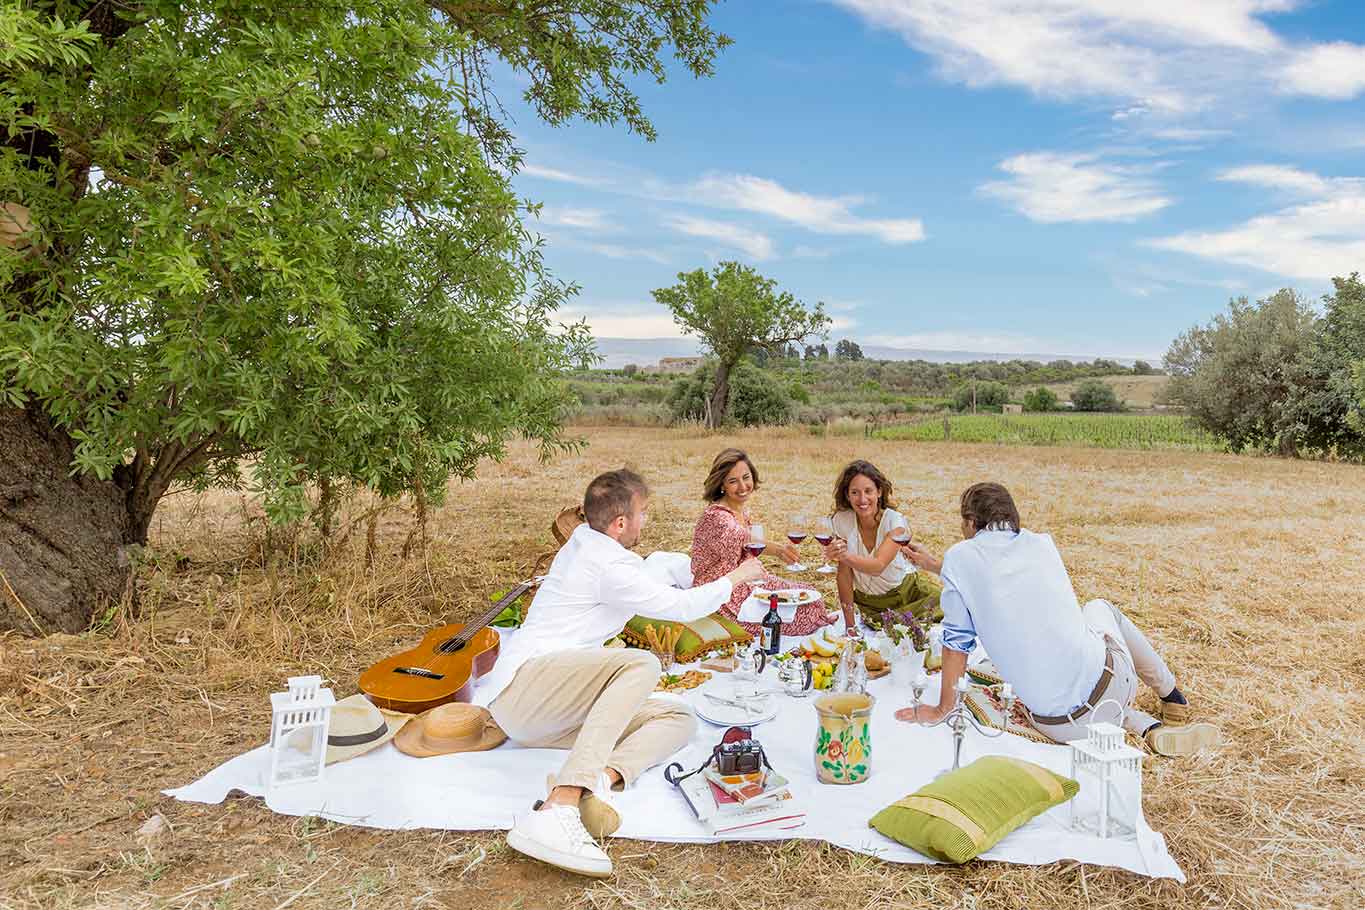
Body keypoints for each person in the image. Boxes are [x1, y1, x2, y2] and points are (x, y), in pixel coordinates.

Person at [477, 468, 765, 877]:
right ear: (620, 524)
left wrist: (679, 567)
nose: (646, 520)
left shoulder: (589, 544)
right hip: (528, 688)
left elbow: (647, 572)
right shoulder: (609, 567)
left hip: (552, 708)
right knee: (641, 663)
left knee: (678, 716)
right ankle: (559, 805)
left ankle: (599, 780)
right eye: (643, 512)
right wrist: (736, 576)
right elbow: (681, 609)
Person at [895, 482, 1220, 757]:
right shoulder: (1041, 544)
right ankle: (1171, 697)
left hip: (1057, 727)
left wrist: (942, 708)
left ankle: (1145, 727)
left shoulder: (959, 559)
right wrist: (940, 567)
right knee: (1099, 608)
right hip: (1113, 684)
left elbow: (956, 644)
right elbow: (1007, 586)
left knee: (1070, 673)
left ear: (969, 521)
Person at [689, 448, 834, 637]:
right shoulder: (715, 516)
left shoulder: (741, 511)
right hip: (724, 594)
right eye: (733, 481)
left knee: (812, 596)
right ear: (721, 485)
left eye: (746, 477)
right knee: (806, 615)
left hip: (749, 583)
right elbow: (744, 538)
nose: (742, 486)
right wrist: (780, 550)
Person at [820, 460, 942, 634]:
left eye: (868, 491)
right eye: (855, 492)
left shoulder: (894, 522)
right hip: (870, 607)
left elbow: (878, 566)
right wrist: (849, 625)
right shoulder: (842, 521)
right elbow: (844, 575)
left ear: (879, 491)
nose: (862, 499)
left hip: (909, 598)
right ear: (847, 495)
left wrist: (844, 555)